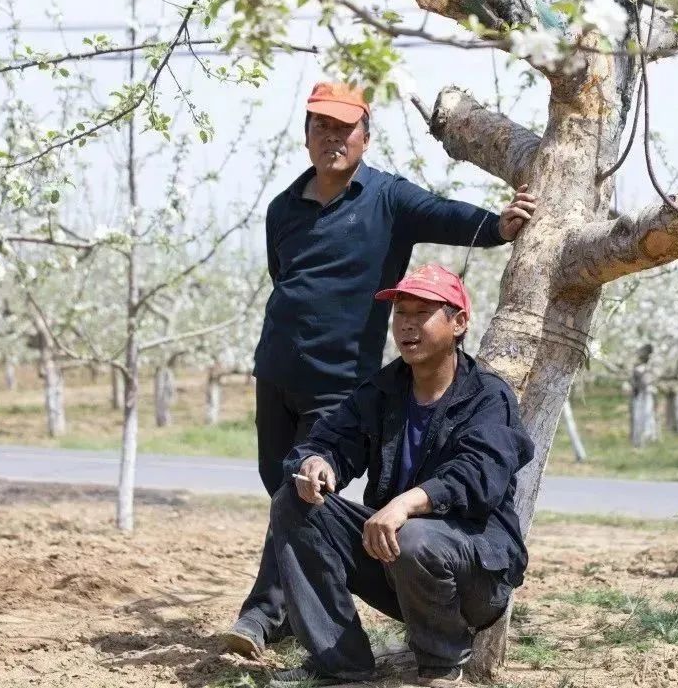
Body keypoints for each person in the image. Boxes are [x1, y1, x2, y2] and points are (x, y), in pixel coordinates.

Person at [222, 81, 537, 656]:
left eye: (344, 129)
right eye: (321, 128)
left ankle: (263, 616)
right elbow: (284, 279)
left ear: (365, 137)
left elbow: (448, 216)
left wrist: (498, 226)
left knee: (307, 498)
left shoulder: (388, 199)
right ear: (306, 136)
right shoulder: (282, 209)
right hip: (277, 371)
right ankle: (293, 607)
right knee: (284, 487)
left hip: (340, 381)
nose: (332, 139)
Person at [269, 264, 533, 688]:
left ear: (459, 322)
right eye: (400, 314)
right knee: (294, 502)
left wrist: (405, 503)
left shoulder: (488, 396)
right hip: (399, 565)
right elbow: (332, 440)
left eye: (422, 313)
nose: (407, 325)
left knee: (413, 534)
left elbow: (479, 475)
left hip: (476, 577)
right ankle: (339, 661)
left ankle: (441, 665)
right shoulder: (382, 390)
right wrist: (316, 463)